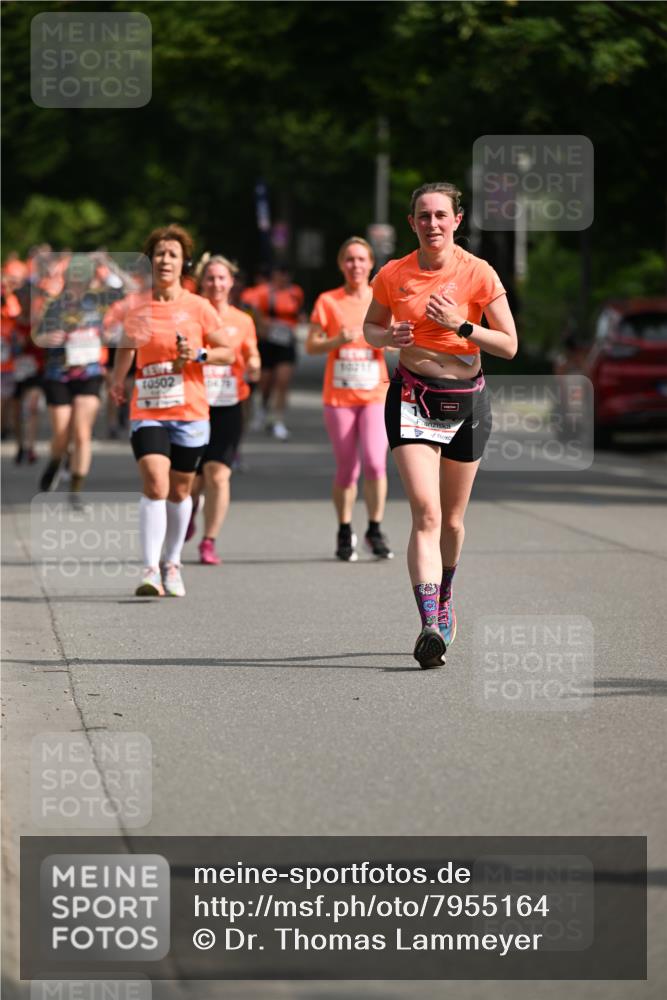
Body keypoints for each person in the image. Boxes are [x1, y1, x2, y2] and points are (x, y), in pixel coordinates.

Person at [364, 182, 517, 668]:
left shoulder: (478, 272)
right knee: (426, 514)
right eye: (423, 216)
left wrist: (461, 325)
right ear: (412, 223)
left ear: (456, 221)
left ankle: (446, 593)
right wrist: (388, 336)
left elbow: (509, 345)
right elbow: (369, 327)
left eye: (440, 215)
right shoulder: (393, 274)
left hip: (467, 402)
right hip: (412, 396)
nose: (432, 223)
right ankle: (429, 623)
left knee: (452, 520)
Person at [109, 226, 234, 597]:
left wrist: (198, 354)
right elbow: (127, 348)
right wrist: (117, 380)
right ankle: (149, 570)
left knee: (180, 491)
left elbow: (226, 350)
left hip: (191, 410)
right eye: (160, 254)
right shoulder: (136, 306)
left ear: (184, 264)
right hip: (147, 407)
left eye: (173, 255)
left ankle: (172, 562)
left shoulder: (199, 307)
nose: (165, 260)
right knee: (155, 482)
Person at [306, 237, 393, 561]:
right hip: (339, 398)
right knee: (347, 468)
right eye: (349, 260)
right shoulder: (329, 301)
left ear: (371, 264)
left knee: (374, 461)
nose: (356, 265)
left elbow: (395, 336)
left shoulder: (380, 298)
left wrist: (391, 338)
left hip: (374, 395)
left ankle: (374, 528)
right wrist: (335, 340)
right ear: (342, 265)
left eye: (361, 259)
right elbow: (312, 345)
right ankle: (344, 529)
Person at [186, 254, 260, 564]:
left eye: (221, 278)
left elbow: (251, 354)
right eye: (210, 278)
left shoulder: (242, 320)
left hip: (230, 403)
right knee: (192, 477)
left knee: (218, 474)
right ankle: (188, 508)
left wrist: (254, 365)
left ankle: (208, 540)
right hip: (194, 403)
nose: (216, 284)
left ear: (231, 283)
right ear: (202, 282)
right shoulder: (190, 316)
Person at [34, 254, 121, 503]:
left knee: (82, 433)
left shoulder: (100, 302)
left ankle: (76, 488)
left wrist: (106, 263)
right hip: (58, 373)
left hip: (90, 373)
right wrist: (45, 339)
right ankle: (55, 460)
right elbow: (38, 335)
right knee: (61, 433)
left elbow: (127, 290)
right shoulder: (54, 304)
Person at [241, 265, 304, 440]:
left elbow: (297, 313)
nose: (283, 278)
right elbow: (250, 309)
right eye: (280, 274)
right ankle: (262, 408)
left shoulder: (295, 292)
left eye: (286, 274)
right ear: (273, 275)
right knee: (266, 382)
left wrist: (295, 323)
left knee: (283, 381)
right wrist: (263, 325)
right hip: (267, 342)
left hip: (286, 342)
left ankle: (278, 420)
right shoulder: (262, 292)